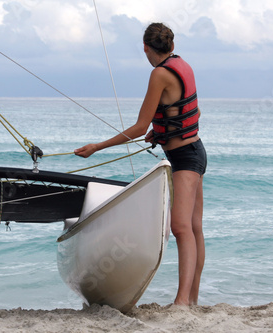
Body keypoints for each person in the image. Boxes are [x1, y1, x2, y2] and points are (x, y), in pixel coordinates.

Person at [74, 22, 207, 306]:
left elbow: (138, 127)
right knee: (193, 227)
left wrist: (97, 147)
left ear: (146, 48)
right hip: (194, 150)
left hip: (186, 157)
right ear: (171, 46)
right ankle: (191, 299)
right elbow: (177, 108)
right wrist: (160, 133)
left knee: (182, 227)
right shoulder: (182, 65)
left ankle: (183, 301)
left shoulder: (159, 74)